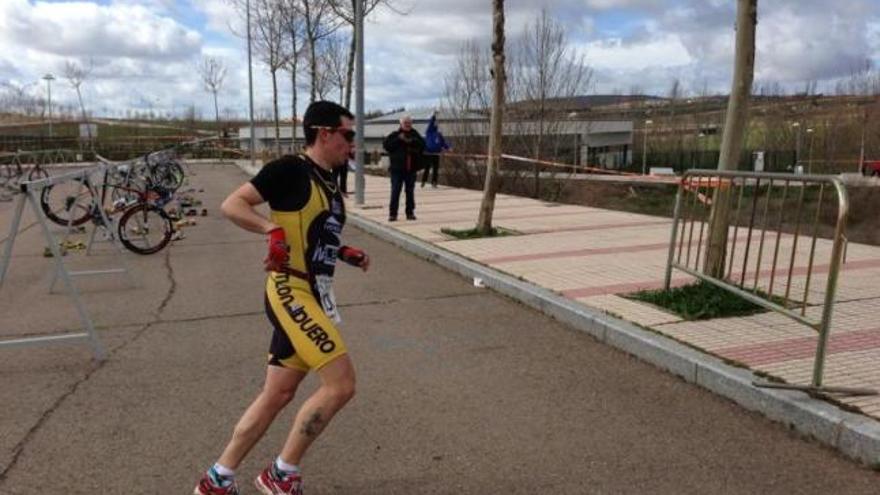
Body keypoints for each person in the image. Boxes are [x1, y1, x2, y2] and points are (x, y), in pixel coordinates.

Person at [194, 100, 370, 495]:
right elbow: (232, 205)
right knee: (340, 385)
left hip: (314, 292)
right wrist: (269, 230)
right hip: (290, 290)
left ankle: (217, 480)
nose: (352, 144)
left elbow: (314, 234)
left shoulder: (330, 181)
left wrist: (344, 253)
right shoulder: (290, 169)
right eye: (348, 134)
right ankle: (280, 473)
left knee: (278, 394)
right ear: (324, 133)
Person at [383, 115, 424, 221]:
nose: (407, 124)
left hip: (411, 169)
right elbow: (387, 146)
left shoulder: (415, 134)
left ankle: (410, 213)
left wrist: (412, 141)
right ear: (401, 124)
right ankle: (393, 214)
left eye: (409, 122)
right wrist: (399, 139)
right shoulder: (395, 135)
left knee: (410, 192)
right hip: (397, 170)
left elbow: (423, 145)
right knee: (395, 191)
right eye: (405, 123)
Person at [421, 112, 450, 188]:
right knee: (427, 168)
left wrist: (448, 148)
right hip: (429, 153)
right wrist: (434, 116)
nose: (436, 124)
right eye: (435, 123)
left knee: (435, 168)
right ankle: (423, 181)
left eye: (436, 124)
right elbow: (430, 123)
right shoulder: (428, 132)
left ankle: (434, 182)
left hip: (436, 153)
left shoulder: (439, 134)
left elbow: (443, 143)